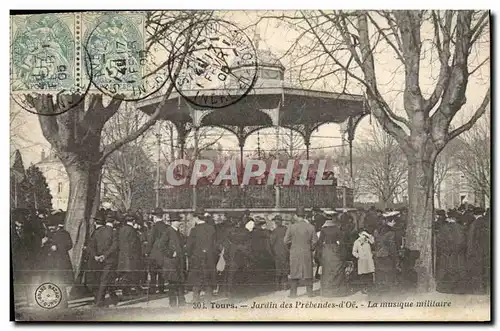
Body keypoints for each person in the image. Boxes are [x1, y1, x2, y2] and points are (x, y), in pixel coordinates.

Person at [40, 211, 74, 308]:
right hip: (56, 262)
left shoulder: (61, 234)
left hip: (59, 261)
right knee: (56, 281)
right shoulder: (56, 234)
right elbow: (69, 245)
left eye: (52, 226)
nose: (50, 228)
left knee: (59, 282)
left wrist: (57, 247)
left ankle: (62, 303)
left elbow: (69, 245)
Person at [284, 207, 318, 298]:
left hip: (294, 252)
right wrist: (310, 248)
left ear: (296, 215)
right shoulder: (311, 227)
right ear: (305, 215)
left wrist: (291, 248)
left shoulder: (291, 227)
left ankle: (293, 293)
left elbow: (286, 241)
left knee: (294, 272)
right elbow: (315, 241)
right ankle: (310, 293)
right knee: (308, 272)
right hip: (306, 252)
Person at [87, 210, 119, 307]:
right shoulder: (113, 232)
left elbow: (91, 246)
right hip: (109, 259)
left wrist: (96, 256)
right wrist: (105, 255)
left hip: (98, 259)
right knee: (105, 280)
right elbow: (114, 246)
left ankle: (109, 299)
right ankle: (101, 301)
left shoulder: (97, 232)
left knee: (101, 279)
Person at [187, 208, 217, 303]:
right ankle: (208, 300)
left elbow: (189, 247)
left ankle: (196, 300)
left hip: (197, 259)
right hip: (209, 259)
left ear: (196, 218)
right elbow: (215, 245)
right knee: (208, 279)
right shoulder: (211, 229)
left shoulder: (194, 230)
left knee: (197, 280)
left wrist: (190, 255)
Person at [435, 209, 467, 294]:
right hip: (458, 253)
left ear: (449, 218)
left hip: (447, 253)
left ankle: (446, 289)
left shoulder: (444, 228)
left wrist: (445, 250)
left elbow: (439, 242)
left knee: (447, 270)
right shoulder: (461, 228)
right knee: (458, 270)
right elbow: (463, 242)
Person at [317, 217, 349, 297]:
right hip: (335, 249)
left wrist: (319, 255)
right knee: (337, 269)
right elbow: (342, 243)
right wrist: (343, 255)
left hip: (327, 250)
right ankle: (338, 292)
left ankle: (327, 292)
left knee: (327, 271)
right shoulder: (337, 229)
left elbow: (320, 243)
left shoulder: (323, 229)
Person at [116, 212, 143, 296]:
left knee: (125, 275)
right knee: (131, 275)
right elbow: (135, 245)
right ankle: (133, 291)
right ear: (134, 221)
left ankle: (126, 291)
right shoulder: (133, 231)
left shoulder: (121, 229)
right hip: (131, 256)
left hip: (122, 256)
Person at [164, 213, 187, 307]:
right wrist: (170, 253)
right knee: (173, 283)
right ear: (172, 222)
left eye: (179, 220)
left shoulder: (178, 232)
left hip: (179, 261)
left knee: (180, 281)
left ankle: (181, 301)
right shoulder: (168, 232)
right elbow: (161, 246)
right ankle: (173, 302)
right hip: (172, 262)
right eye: (177, 221)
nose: (179, 222)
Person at [465, 207, 490, 294]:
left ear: (474, 214)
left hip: (477, 251)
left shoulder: (474, 224)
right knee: (486, 269)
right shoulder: (488, 222)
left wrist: (469, 253)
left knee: (477, 270)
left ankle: (479, 289)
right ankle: (486, 288)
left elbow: (470, 240)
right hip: (487, 250)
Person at [373, 213, 399, 296]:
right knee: (389, 277)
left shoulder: (377, 230)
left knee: (380, 276)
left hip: (378, 256)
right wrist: (396, 259)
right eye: (394, 221)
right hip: (387, 257)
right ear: (390, 221)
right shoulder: (391, 232)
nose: (395, 223)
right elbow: (392, 248)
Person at [145, 207, 168, 294]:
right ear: (162, 216)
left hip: (154, 252)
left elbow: (151, 241)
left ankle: (152, 289)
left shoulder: (154, 227)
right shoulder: (166, 227)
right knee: (161, 271)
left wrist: (147, 251)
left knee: (153, 272)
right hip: (163, 252)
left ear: (155, 217)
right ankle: (161, 288)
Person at [250, 217, 275, 293]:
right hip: (264, 253)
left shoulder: (252, 233)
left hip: (255, 253)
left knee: (257, 271)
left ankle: (258, 286)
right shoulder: (266, 232)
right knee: (264, 270)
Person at [270, 215, 289, 291]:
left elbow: (271, 242)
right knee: (285, 269)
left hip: (277, 252)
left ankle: (278, 287)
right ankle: (285, 286)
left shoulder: (275, 231)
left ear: (276, 222)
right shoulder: (286, 229)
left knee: (278, 269)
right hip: (285, 251)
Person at [352, 229, 375, 294]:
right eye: (363, 235)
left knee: (370, 274)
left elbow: (373, 242)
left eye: (365, 235)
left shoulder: (368, 241)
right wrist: (358, 256)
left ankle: (370, 288)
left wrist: (367, 235)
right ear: (359, 235)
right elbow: (354, 251)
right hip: (362, 260)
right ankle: (364, 288)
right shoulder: (357, 242)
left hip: (369, 259)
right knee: (363, 275)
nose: (364, 236)